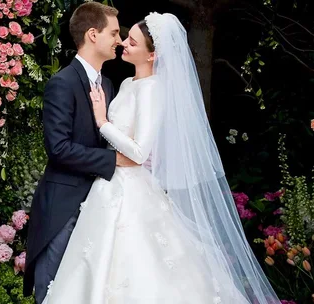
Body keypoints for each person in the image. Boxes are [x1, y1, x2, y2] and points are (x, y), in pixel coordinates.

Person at [41, 12, 281, 304]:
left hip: (130, 187)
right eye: (122, 37)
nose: (123, 44)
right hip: (108, 186)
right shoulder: (125, 84)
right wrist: (112, 147)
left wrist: (103, 123)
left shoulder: (154, 89)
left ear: (152, 54)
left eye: (131, 41)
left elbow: (139, 152)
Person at [23, 3, 136, 303]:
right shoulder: (62, 83)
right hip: (64, 206)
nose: (120, 40)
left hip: (101, 206)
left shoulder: (110, 85)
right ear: (92, 34)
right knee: (53, 289)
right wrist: (114, 160)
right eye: (114, 33)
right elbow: (58, 148)